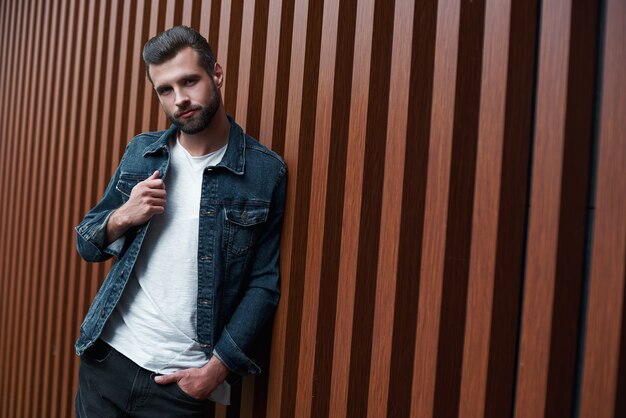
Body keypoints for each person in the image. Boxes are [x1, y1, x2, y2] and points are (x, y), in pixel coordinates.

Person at [74, 25, 286, 417]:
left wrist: (215, 371)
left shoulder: (263, 173)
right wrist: (123, 216)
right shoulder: (143, 153)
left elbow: (263, 284)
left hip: (179, 389)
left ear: (217, 75)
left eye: (190, 81)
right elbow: (87, 243)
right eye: (165, 90)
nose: (180, 100)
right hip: (108, 362)